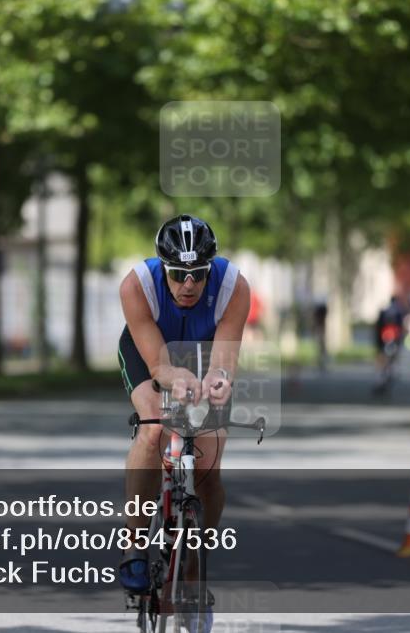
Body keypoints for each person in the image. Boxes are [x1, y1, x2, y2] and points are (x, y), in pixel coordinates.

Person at [116, 214, 250, 600]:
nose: (188, 284)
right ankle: (135, 545)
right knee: (154, 426)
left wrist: (219, 380)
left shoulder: (233, 286)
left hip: (203, 354)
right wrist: (174, 379)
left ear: (210, 270)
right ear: (163, 267)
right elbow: (159, 368)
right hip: (151, 353)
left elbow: (224, 360)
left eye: (197, 274)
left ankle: (193, 561)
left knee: (208, 463)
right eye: (177, 274)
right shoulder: (136, 286)